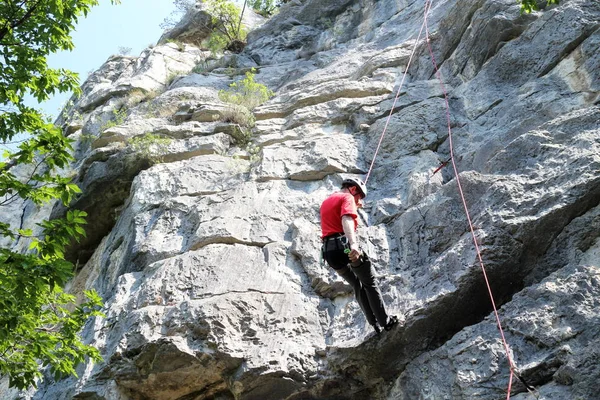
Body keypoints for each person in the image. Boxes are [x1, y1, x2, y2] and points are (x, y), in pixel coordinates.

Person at [320, 177, 398, 334]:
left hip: (330, 253)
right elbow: (346, 219)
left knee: (357, 284)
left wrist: (354, 204)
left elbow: (334, 220)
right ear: (353, 189)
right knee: (369, 281)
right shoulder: (348, 197)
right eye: (359, 197)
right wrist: (353, 244)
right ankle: (386, 322)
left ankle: (373, 323)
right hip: (345, 249)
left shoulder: (327, 201)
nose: (359, 200)